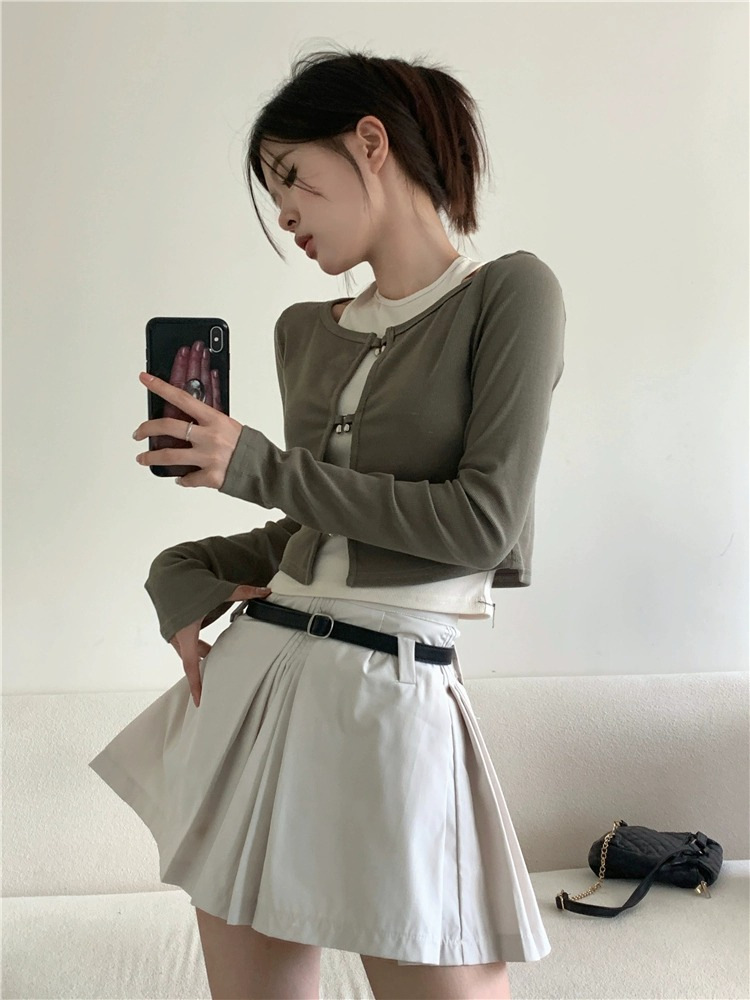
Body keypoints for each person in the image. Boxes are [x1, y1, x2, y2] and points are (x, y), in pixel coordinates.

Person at [90, 42, 566, 1000]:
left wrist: (257, 465)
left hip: (396, 696)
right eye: (274, 194)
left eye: (292, 177)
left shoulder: (511, 295)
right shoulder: (303, 334)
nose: (285, 214)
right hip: (259, 690)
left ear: (370, 143)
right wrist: (177, 574)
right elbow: (314, 536)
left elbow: (481, 524)